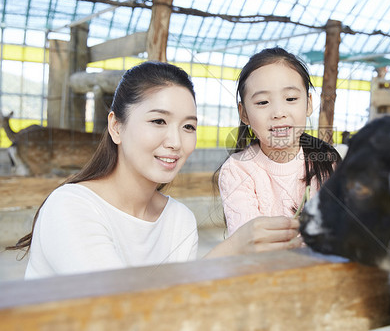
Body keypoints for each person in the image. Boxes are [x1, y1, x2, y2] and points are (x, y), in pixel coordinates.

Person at [6, 61, 301, 279]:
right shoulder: (71, 206)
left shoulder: (179, 220)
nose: (175, 142)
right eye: (158, 121)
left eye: (188, 126)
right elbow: (124, 316)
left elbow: (180, 312)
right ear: (115, 126)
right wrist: (233, 248)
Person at [218, 47, 341, 236]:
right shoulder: (237, 171)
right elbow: (251, 243)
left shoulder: (327, 161)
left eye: (290, 98)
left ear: (308, 104)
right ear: (244, 113)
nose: (278, 113)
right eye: (262, 102)